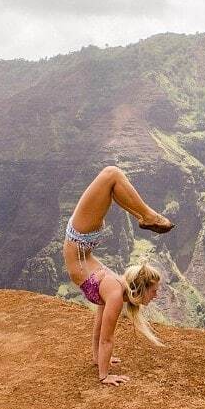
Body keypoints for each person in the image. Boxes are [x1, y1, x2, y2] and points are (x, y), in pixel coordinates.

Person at [62, 165, 175, 386]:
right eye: (154, 291)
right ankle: (147, 216)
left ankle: (145, 216)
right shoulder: (114, 293)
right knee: (112, 176)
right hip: (81, 237)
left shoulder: (113, 290)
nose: (156, 296)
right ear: (139, 289)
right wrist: (104, 375)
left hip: (82, 238)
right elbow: (107, 338)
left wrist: (98, 359)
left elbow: (99, 328)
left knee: (112, 177)